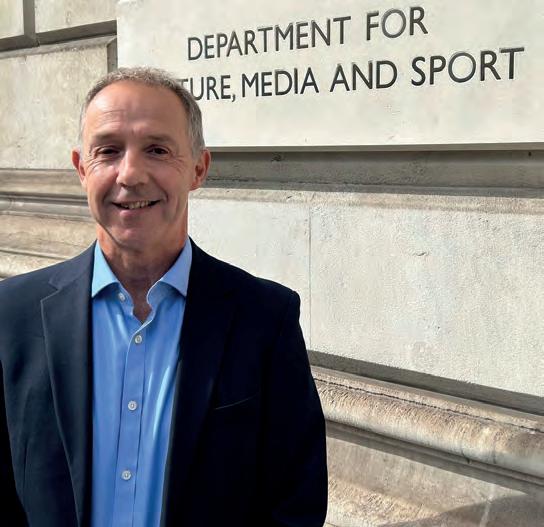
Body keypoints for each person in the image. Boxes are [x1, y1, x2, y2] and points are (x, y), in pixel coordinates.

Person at [0, 67, 327, 526]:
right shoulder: (11, 315)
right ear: (80, 168)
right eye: (108, 151)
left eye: (157, 150)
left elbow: (295, 503)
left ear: (198, 169)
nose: (130, 174)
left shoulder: (264, 319)